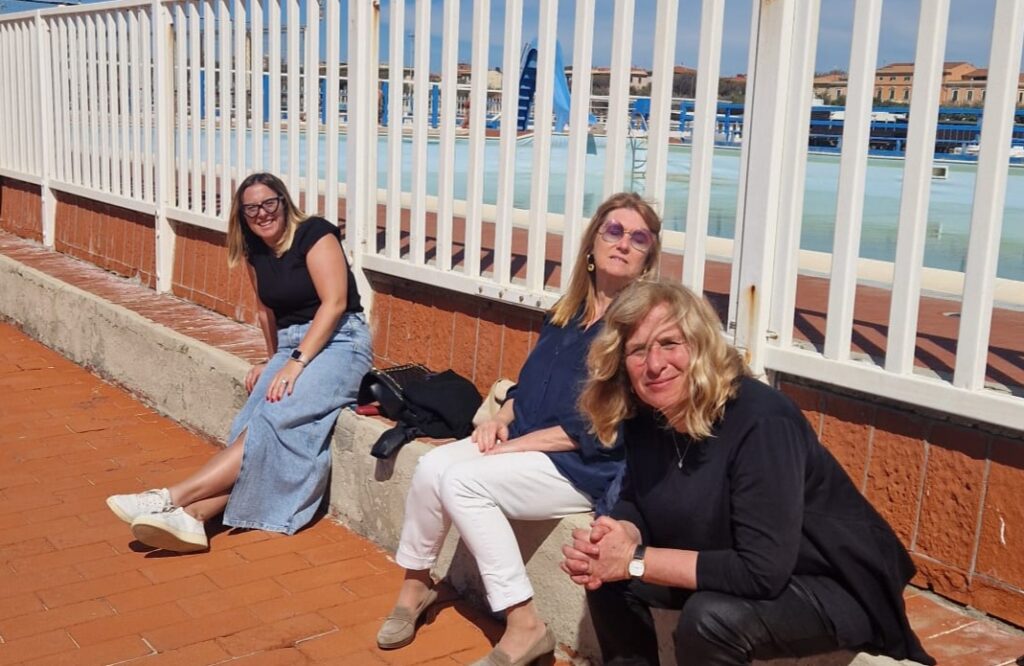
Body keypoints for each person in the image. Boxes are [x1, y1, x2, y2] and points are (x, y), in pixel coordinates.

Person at [563, 279, 935, 666]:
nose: (655, 364)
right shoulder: (648, 413)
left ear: (701, 345)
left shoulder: (762, 422)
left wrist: (635, 559)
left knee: (709, 620)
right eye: (638, 350)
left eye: (670, 343)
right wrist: (622, 534)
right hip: (730, 561)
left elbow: (761, 571)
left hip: (828, 582)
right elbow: (636, 497)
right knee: (604, 576)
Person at [377, 193, 662, 666]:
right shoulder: (567, 314)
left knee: (462, 481)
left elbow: (597, 429)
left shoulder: (636, 329)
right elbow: (527, 388)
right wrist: (500, 420)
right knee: (431, 467)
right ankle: (415, 586)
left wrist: (516, 446)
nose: (623, 243)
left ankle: (525, 624)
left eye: (639, 238)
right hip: (528, 446)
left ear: (647, 259)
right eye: (614, 231)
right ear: (592, 245)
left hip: (579, 466)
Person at [106, 172, 372, 552]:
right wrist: (273, 359)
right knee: (250, 422)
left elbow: (335, 304)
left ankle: (170, 498)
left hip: (341, 342)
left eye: (269, 203)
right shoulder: (254, 250)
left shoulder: (314, 234)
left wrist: (295, 364)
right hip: (291, 346)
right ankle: (194, 517)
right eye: (252, 209)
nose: (262, 213)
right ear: (242, 215)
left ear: (283, 202)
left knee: (276, 417)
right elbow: (266, 313)